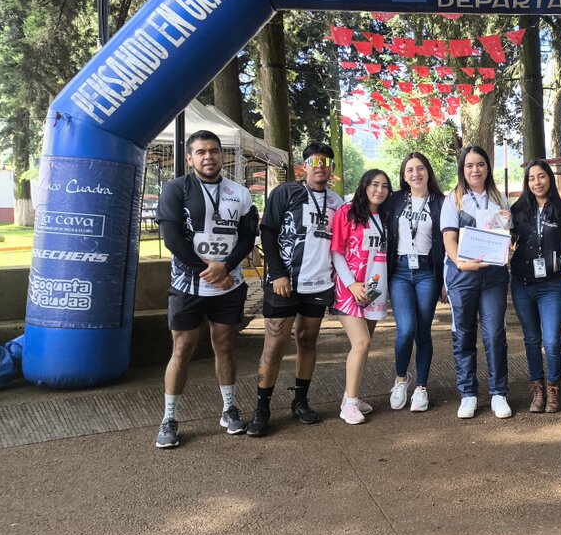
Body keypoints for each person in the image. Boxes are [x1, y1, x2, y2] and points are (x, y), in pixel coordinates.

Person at [153, 130, 258, 448]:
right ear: (189, 158)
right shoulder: (175, 189)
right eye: (201, 152)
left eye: (213, 151)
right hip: (188, 285)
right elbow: (172, 239)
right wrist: (208, 271)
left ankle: (229, 409)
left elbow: (247, 236)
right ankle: (170, 418)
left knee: (224, 346)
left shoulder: (239, 193)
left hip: (228, 285)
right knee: (182, 350)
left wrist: (225, 267)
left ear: (221, 155)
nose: (208, 157)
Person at [246, 142, 344, 437]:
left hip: (319, 283)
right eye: (314, 162)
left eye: (325, 163)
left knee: (307, 340)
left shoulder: (337, 202)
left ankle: (300, 401)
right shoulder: (286, 193)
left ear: (331, 168)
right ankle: (262, 407)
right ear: (304, 167)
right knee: (275, 345)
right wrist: (277, 273)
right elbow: (268, 231)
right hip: (285, 282)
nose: (320, 167)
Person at [509, 160, 561, 412]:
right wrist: (501, 227)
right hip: (521, 284)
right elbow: (506, 238)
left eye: (541, 176)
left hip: (550, 286)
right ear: (527, 182)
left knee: (552, 341)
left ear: (549, 179)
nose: (537, 182)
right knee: (532, 340)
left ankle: (554, 388)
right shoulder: (517, 209)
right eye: (531, 178)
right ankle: (538, 390)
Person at [441, 145, 513, 420]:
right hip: (463, 275)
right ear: (462, 169)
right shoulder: (454, 199)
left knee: (495, 334)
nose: (475, 170)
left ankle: (498, 393)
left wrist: (507, 222)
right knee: (463, 334)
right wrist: (460, 263)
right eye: (469, 165)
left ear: (487, 167)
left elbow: (506, 237)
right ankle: (468, 393)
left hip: (493, 276)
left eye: (480, 164)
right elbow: (449, 238)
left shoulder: (499, 197)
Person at [386, 152, 446, 413]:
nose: (415, 174)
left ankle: (421, 386)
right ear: (404, 175)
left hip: (427, 272)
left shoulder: (441, 202)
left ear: (428, 171)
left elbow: (448, 241)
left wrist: (444, 280)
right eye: (410, 170)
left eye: (420, 168)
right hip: (399, 271)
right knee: (406, 329)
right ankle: (401, 379)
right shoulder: (395, 200)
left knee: (423, 331)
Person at [331, 169, 392, 425]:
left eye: (385, 186)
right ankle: (350, 404)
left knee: (365, 346)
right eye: (374, 184)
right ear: (364, 186)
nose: (379, 190)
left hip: (375, 288)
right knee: (361, 343)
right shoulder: (346, 212)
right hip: (350, 289)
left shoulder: (386, 215)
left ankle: (351, 397)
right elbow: (337, 252)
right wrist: (351, 284)